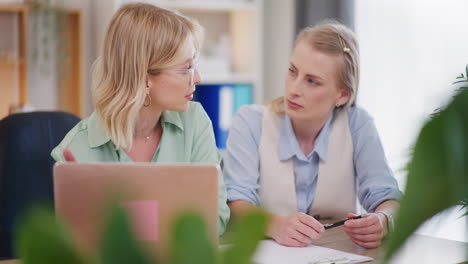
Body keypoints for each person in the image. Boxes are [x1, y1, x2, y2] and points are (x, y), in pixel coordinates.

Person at [51, 3, 229, 235]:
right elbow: (74, 242)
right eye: (185, 68)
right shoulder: (77, 150)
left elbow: (216, 218)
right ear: (145, 79)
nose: (197, 78)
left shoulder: (194, 122)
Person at [223, 21, 401, 248]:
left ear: (342, 95)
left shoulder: (358, 124)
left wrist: (382, 220)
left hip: (338, 253)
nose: (294, 89)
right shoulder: (250, 121)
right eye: (292, 72)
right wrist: (274, 224)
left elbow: (386, 196)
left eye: (312, 81)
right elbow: (235, 202)